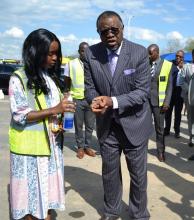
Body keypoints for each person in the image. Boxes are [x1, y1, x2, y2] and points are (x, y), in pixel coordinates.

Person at [83, 10, 152, 220]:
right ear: (98, 33)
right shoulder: (90, 54)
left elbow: (142, 92)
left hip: (135, 124)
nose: (110, 35)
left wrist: (111, 102)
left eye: (115, 30)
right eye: (105, 31)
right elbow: (89, 88)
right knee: (109, 174)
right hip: (107, 126)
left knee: (138, 176)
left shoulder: (139, 53)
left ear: (122, 29)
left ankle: (139, 214)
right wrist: (95, 101)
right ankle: (112, 212)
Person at [8, 28, 76, 220]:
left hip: (50, 147)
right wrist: (55, 110)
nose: (55, 58)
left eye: (57, 53)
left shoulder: (50, 78)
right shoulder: (19, 78)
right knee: (29, 201)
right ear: (35, 52)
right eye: (50, 53)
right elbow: (20, 115)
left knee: (44, 196)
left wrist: (60, 120)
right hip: (29, 150)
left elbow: (52, 109)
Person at [63, 42, 96, 159]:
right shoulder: (71, 64)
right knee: (78, 125)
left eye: (87, 51)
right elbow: (67, 82)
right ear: (79, 51)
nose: (85, 53)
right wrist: (66, 95)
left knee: (90, 125)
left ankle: (87, 146)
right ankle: (80, 148)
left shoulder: (93, 64)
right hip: (77, 99)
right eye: (82, 51)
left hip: (90, 100)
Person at [147, 44, 173, 162]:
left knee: (159, 129)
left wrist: (167, 102)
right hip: (146, 102)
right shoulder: (146, 64)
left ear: (157, 52)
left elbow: (169, 86)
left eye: (150, 53)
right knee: (144, 127)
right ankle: (141, 150)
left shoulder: (167, 65)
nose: (149, 55)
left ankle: (160, 152)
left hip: (159, 103)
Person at [164, 50, 184, 138]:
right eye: (177, 56)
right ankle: (167, 129)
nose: (178, 57)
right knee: (168, 112)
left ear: (183, 58)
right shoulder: (170, 64)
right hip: (170, 91)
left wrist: (181, 68)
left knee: (178, 113)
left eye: (180, 56)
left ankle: (177, 131)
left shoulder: (185, 66)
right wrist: (177, 68)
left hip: (180, 92)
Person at [180, 49, 194, 159]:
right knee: (191, 120)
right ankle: (191, 137)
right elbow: (182, 81)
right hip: (191, 100)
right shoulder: (187, 67)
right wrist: (189, 90)